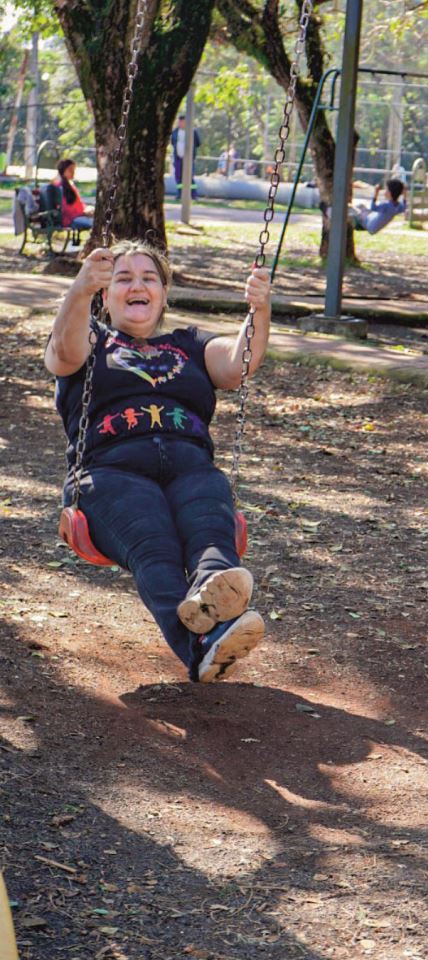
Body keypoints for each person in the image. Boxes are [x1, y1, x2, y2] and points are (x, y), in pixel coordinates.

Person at [44, 240, 270, 683]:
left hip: (190, 466)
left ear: (163, 293)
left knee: (209, 532)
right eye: (122, 278)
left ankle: (215, 599)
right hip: (110, 471)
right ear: (106, 296)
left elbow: (236, 365)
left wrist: (258, 311)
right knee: (156, 545)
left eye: (148, 278)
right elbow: (63, 352)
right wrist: (79, 290)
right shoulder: (91, 338)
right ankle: (200, 644)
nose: (136, 286)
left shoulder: (189, 344)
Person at [321, 178, 406, 236]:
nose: (385, 192)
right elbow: (404, 206)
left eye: (386, 190)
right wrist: (405, 194)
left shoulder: (386, 206)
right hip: (372, 224)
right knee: (360, 206)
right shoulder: (397, 207)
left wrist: (375, 193)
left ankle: (329, 211)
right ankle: (343, 208)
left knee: (351, 213)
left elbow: (373, 207)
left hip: (368, 224)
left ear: (390, 193)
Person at [53, 159, 94, 235]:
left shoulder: (70, 185)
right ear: (64, 171)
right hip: (71, 219)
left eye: (74, 170)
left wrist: (87, 208)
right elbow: (65, 208)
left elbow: (78, 203)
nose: (73, 172)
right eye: (70, 170)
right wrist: (83, 213)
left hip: (78, 216)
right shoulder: (60, 187)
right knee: (95, 223)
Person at [171, 115, 200, 200]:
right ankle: (179, 194)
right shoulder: (175, 131)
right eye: (179, 122)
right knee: (178, 176)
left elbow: (198, 143)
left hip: (189, 159)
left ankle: (193, 195)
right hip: (178, 158)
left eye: (182, 122)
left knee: (189, 176)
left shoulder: (192, 131)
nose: (180, 123)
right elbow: (173, 142)